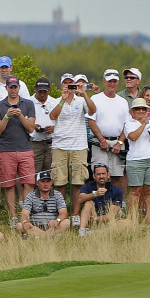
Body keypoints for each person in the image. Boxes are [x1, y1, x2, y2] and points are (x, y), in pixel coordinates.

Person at [0, 77, 38, 204]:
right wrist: (7, 116)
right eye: (10, 87)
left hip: (25, 149)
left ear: (19, 88)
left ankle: (26, 212)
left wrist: (20, 115)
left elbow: (31, 128)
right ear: (6, 88)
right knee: (8, 184)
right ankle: (12, 216)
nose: (13, 90)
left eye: (15, 87)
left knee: (29, 182)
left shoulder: (28, 104)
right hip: (6, 150)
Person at [50, 74, 94, 205]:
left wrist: (84, 94)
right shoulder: (55, 100)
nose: (68, 86)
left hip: (79, 145)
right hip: (59, 145)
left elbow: (93, 110)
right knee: (59, 182)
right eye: (65, 83)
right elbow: (53, 116)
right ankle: (61, 211)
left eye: (70, 83)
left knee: (78, 182)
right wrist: (63, 100)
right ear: (61, 85)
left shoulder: (81, 100)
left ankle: (75, 214)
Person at [88, 70, 132, 194]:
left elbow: (126, 124)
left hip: (117, 142)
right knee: (99, 175)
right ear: (104, 82)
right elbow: (91, 121)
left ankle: (116, 203)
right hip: (99, 142)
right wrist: (102, 140)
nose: (112, 84)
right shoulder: (96, 98)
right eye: (109, 81)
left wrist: (120, 142)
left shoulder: (122, 101)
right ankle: (99, 203)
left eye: (114, 81)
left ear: (118, 82)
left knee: (117, 175)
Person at [124, 97, 150, 223]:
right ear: (133, 111)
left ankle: (149, 217)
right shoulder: (129, 123)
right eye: (138, 109)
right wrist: (143, 124)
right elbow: (133, 137)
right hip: (135, 159)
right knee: (135, 190)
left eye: (143, 109)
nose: (141, 111)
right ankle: (133, 217)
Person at [76, 163, 126, 232]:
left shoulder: (116, 190)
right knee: (88, 203)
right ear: (94, 176)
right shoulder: (88, 186)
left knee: (128, 223)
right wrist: (95, 194)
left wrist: (96, 219)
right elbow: (80, 199)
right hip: (91, 218)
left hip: (106, 219)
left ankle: (98, 232)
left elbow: (112, 214)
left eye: (103, 174)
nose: (101, 176)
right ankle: (82, 230)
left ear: (108, 175)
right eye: (98, 174)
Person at [18, 172, 69, 237]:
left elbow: (64, 213)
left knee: (67, 222)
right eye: (43, 181)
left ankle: (38, 236)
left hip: (52, 226)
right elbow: (24, 213)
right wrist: (25, 222)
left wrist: (57, 220)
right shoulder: (30, 195)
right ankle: (49, 236)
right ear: (37, 183)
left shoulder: (58, 195)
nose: (45, 184)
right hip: (35, 226)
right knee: (20, 225)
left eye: (48, 181)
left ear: (51, 183)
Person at [28, 77, 56, 179]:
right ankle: (34, 194)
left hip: (51, 142)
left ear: (49, 90)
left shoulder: (54, 102)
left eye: (45, 91)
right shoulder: (28, 102)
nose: (43, 94)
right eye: (40, 92)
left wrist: (54, 128)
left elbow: (60, 121)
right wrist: (33, 126)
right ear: (35, 89)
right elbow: (23, 121)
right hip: (35, 142)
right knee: (33, 172)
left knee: (49, 171)